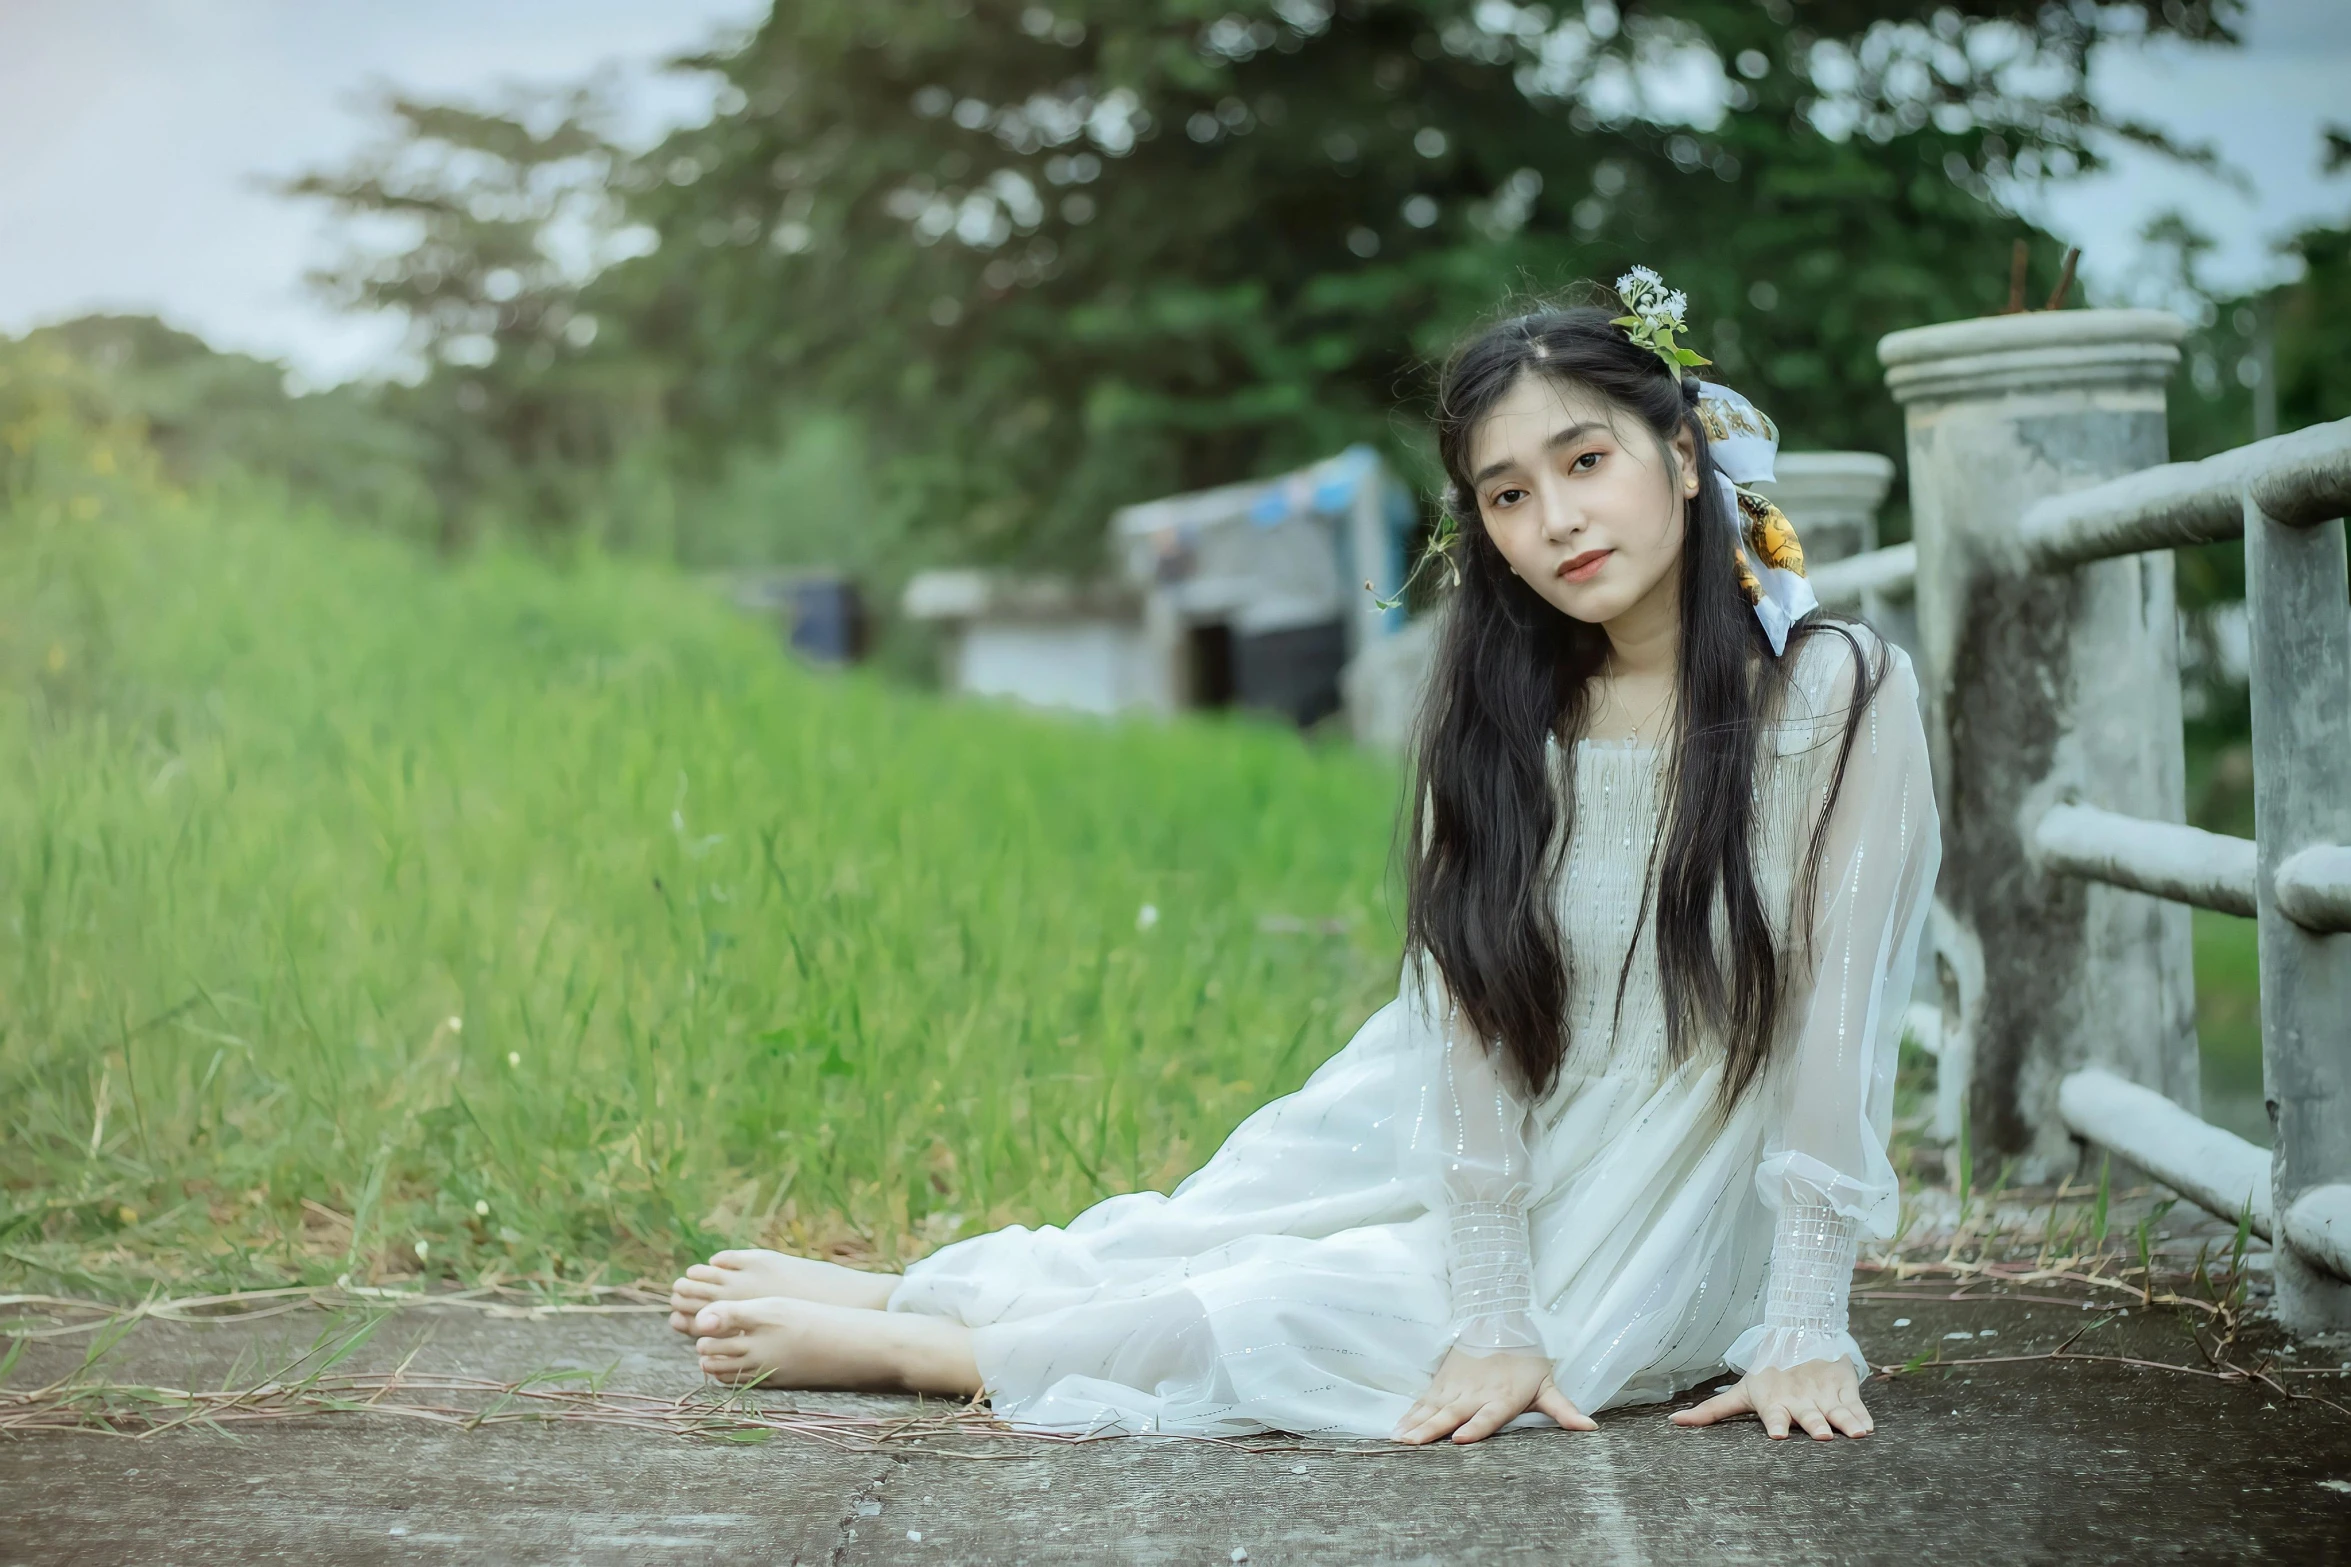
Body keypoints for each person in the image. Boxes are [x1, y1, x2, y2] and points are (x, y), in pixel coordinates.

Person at [669, 269, 1940, 1446]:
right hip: (1473, 1122)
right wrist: (1493, 1303)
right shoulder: (1505, 709)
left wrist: (1800, 1322)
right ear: (1483, 530)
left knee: (1328, 1303)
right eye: (1507, 494)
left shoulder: (1836, 691)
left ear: (1678, 454)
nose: (1556, 519)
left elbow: (1834, 1019)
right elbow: (1474, 1010)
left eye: (1585, 461)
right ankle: (917, 1291)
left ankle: (939, 1354)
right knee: (1219, 1229)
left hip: (1671, 1172)